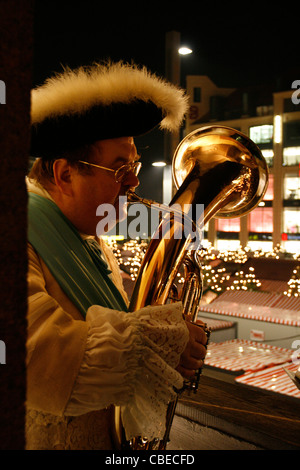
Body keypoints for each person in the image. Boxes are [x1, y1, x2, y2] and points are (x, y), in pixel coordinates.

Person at [26, 61, 208, 450]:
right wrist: (167, 340)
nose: (135, 181)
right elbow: (35, 358)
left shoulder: (88, 236)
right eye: (119, 167)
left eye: (135, 165)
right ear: (64, 174)